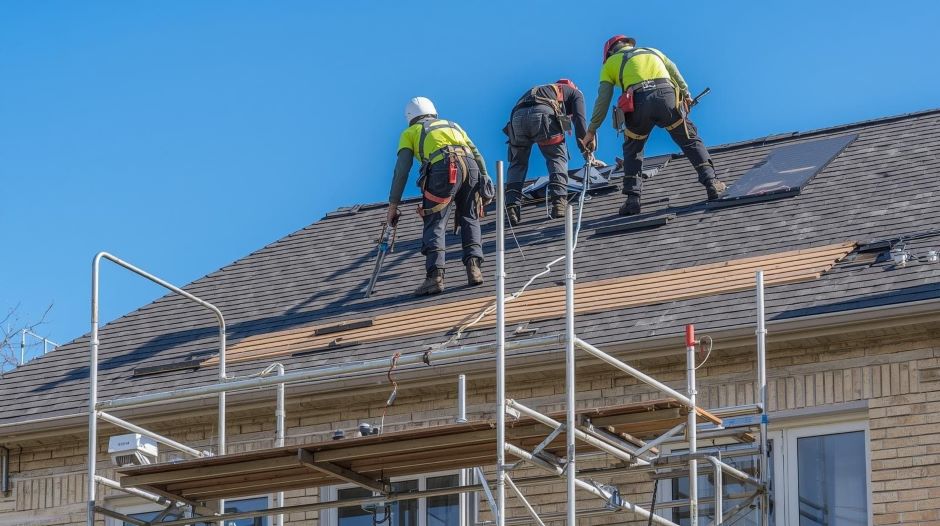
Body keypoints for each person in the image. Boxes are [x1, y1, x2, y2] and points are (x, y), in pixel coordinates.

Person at [582, 35, 727, 216]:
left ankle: (633, 201)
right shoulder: (653, 51)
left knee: (633, 148)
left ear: (610, 52)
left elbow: (603, 100)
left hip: (638, 102)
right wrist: (686, 93)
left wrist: (591, 130)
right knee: (689, 139)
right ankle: (712, 183)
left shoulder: (610, 64)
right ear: (628, 44)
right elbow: (674, 71)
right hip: (666, 96)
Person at [386, 97, 488, 296]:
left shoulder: (410, 132)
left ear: (410, 117)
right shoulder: (453, 125)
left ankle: (435, 277)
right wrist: (485, 179)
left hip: (445, 168)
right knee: (469, 216)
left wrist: (393, 205)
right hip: (471, 167)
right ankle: (474, 269)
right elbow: (477, 155)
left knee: (435, 221)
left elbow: (402, 170)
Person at [503, 79, 588, 225]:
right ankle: (559, 204)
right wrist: (585, 148)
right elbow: (580, 121)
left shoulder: (543, 90)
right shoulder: (574, 93)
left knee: (517, 163)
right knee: (557, 157)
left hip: (517, 118)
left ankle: (511, 207)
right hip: (543, 114)